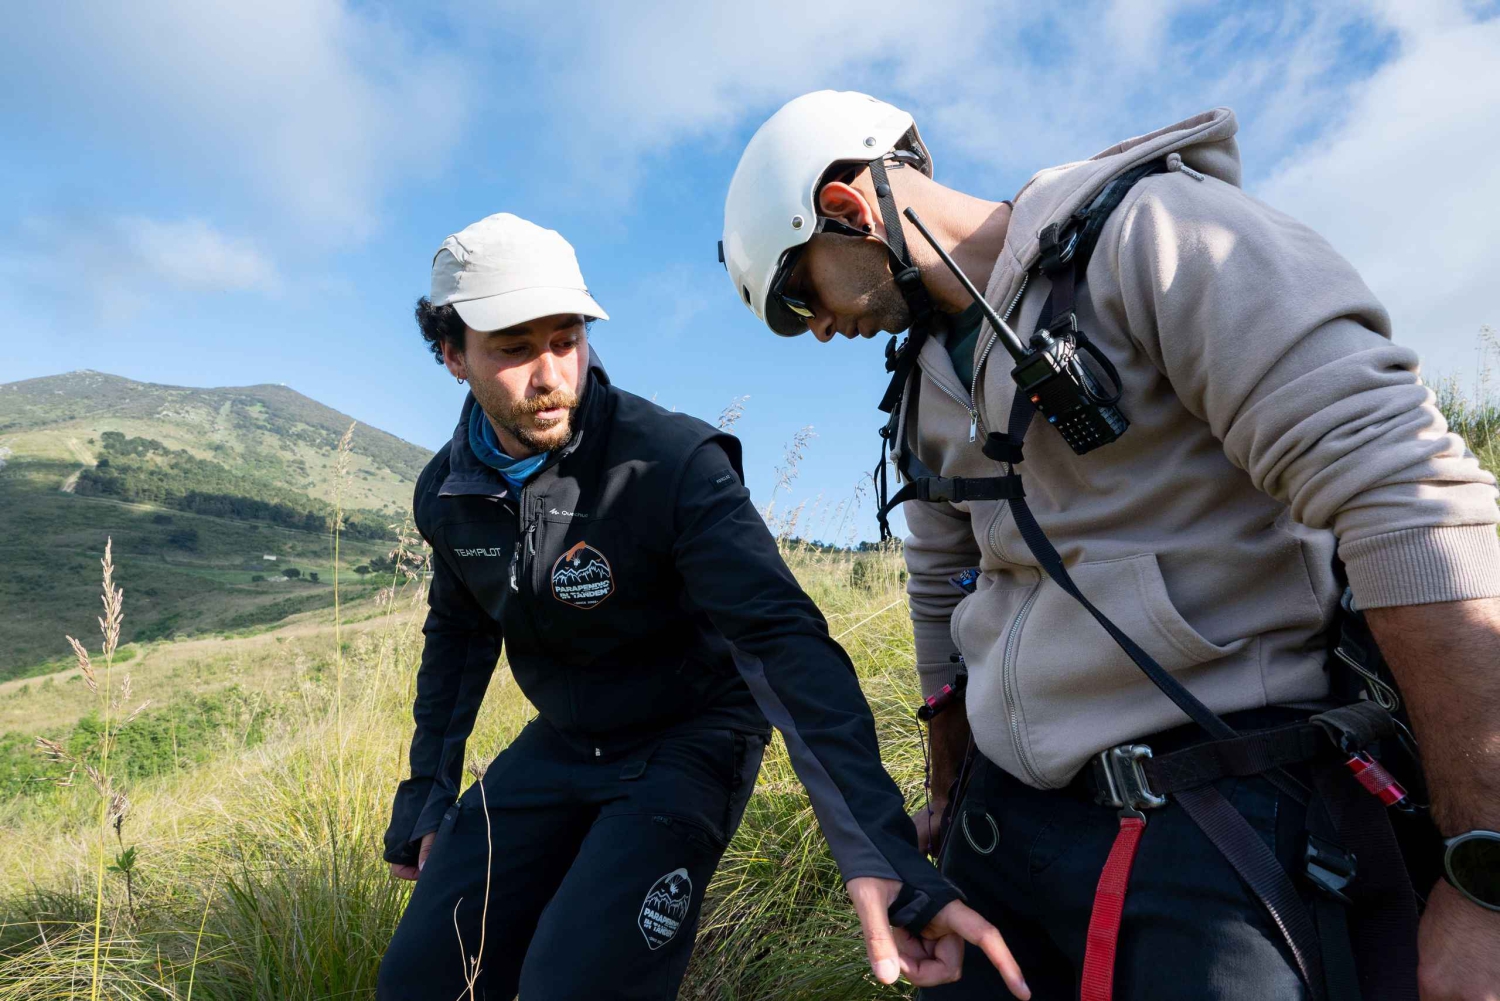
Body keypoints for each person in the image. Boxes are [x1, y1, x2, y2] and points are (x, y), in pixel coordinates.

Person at [720, 91, 1500, 1000]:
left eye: (798, 290)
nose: (816, 326)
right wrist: (945, 788)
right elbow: (940, 590)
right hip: (1010, 825)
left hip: (1220, 812)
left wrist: (1482, 877)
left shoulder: (1154, 235)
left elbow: (1407, 500)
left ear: (848, 210)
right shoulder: (921, 386)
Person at [376, 212, 1029, 1000]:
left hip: (692, 737)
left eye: (566, 338)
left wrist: (881, 853)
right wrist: (427, 792)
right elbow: (457, 634)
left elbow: (784, 642)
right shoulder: (449, 493)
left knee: (572, 983)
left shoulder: (672, 464)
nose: (550, 372)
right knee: (421, 976)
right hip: (565, 739)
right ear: (453, 355)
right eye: (514, 349)